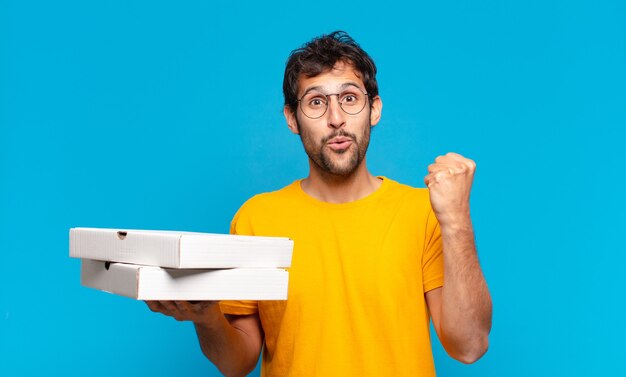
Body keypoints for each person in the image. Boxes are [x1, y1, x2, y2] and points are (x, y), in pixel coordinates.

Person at [146, 31, 492, 377]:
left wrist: (457, 219)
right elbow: (238, 363)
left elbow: (469, 346)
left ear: (374, 109)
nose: (336, 118)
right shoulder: (256, 220)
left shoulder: (423, 213)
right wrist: (206, 317)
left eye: (350, 98)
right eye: (316, 102)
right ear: (292, 119)